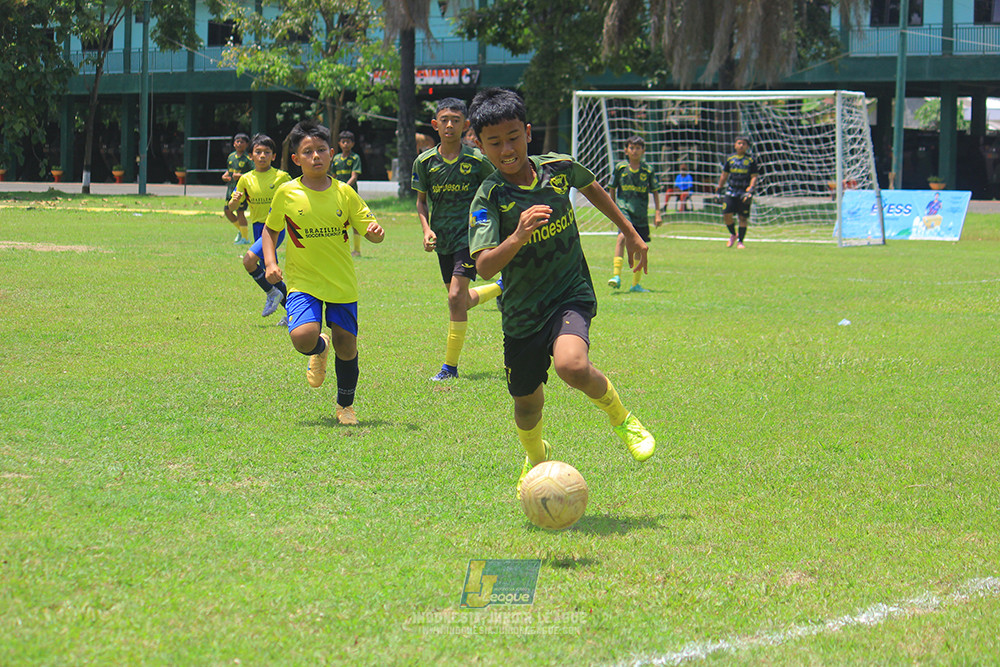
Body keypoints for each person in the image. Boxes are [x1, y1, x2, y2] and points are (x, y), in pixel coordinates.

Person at [467, 87, 656, 500]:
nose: (507, 148)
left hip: (568, 293)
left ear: (528, 132)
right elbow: (484, 265)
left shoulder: (559, 168)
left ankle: (622, 418)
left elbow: (593, 189)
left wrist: (630, 232)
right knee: (527, 405)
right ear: (480, 147)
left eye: (513, 136)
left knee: (571, 365)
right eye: (494, 142)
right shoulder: (489, 197)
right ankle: (536, 460)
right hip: (520, 313)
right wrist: (517, 235)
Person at [262, 121, 385, 426]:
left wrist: (375, 233)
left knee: (347, 343)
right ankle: (320, 347)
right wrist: (270, 263)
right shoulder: (286, 193)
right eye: (307, 151)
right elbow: (270, 230)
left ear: (331, 154)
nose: (315, 156)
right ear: (296, 158)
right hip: (304, 282)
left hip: (341, 282)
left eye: (320, 150)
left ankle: (346, 406)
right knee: (303, 338)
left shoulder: (345, 193)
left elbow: (370, 231)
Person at [412, 98, 503, 382]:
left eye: (455, 119)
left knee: (454, 297)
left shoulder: (477, 160)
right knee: (460, 301)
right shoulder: (424, 162)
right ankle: (501, 287)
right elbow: (421, 202)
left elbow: (497, 191)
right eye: (444, 119)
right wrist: (426, 229)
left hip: (471, 237)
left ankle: (449, 367)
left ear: (466, 125)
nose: (449, 124)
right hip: (443, 239)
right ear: (435, 124)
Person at [227, 133, 292, 325]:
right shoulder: (246, 179)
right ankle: (293, 313)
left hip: (275, 228)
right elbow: (232, 207)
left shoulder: (282, 177)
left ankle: (272, 294)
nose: (262, 156)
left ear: (273, 156)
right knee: (269, 273)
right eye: (258, 152)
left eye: (267, 152)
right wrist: (234, 201)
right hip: (257, 228)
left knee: (248, 261)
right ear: (251, 156)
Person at [607, 135, 661, 293]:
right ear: (626, 150)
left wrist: (658, 212)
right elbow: (612, 188)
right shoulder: (620, 169)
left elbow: (656, 192)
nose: (635, 151)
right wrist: (613, 209)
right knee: (622, 236)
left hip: (641, 213)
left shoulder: (648, 170)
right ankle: (616, 275)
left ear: (643, 150)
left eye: (638, 148)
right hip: (624, 210)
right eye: (632, 148)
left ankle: (635, 284)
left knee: (639, 246)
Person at [717, 135, 761, 249]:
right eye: (739, 143)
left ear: (747, 146)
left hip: (744, 192)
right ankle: (733, 234)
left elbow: (754, 176)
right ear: (735, 145)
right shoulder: (730, 159)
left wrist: (751, 189)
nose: (741, 145)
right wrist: (719, 189)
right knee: (726, 214)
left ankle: (740, 241)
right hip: (731, 191)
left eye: (744, 144)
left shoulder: (751, 160)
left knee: (742, 217)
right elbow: (724, 175)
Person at [331, 130, 364, 257]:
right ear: (339, 143)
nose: (345, 144)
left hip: (350, 194)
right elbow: (333, 176)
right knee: (337, 221)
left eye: (348, 142)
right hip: (337, 195)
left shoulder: (355, 158)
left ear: (352, 144)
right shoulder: (336, 159)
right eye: (343, 142)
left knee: (354, 221)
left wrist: (344, 188)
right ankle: (339, 249)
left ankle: (357, 250)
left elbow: (354, 176)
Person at [222, 133, 252, 244]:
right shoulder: (231, 157)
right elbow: (229, 170)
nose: (239, 144)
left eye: (242, 142)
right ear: (234, 144)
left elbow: (253, 173)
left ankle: (245, 239)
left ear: (247, 144)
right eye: (237, 141)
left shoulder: (248, 158)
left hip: (242, 189)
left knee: (240, 212)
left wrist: (240, 176)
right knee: (227, 211)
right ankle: (241, 230)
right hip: (230, 188)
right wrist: (225, 175)